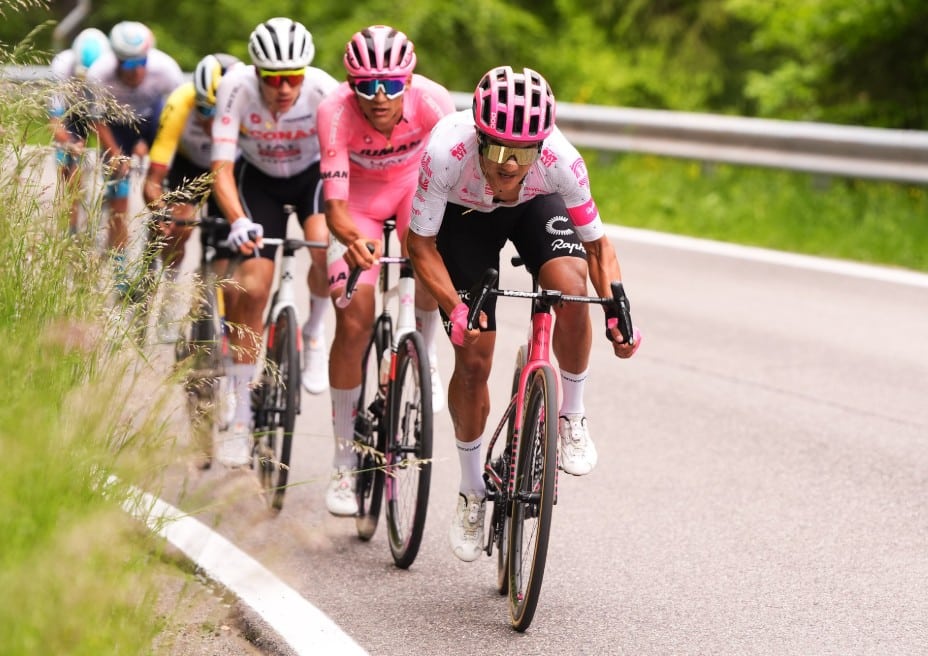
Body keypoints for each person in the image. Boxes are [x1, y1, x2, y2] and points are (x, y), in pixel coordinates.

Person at [406, 66, 642, 561]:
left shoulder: (561, 161)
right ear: (478, 138)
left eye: (524, 153)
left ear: (541, 146)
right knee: (474, 357)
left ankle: (571, 413)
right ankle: (471, 490)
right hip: (465, 220)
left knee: (571, 287)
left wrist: (616, 311)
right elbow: (420, 245)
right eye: (498, 152)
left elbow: (598, 249)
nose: (510, 165)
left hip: (536, 207)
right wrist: (454, 307)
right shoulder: (445, 151)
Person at [316, 25, 456, 516]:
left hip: (412, 190)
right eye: (367, 85)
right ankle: (342, 461)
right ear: (350, 84)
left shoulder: (434, 102)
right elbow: (334, 207)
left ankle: (426, 349)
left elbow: (453, 177)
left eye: (392, 85)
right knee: (353, 317)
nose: (379, 96)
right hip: (357, 204)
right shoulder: (334, 111)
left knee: (429, 254)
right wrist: (352, 241)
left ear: (408, 81)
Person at [210, 17, 338, 467]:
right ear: (256, 72)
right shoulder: (236, 88)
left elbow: (341, 163)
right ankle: (241, 418)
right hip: (258, 181)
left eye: (293, 77)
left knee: (324, 249)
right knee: (252, 289)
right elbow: (221, 168)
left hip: (311, 178)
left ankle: (314, 331)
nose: (284, 87)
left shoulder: (323, 89)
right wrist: (238, 221)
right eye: (273, 78)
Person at [143, 53, 241, 341]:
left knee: (229, 249)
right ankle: (171, 293)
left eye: (219, 113)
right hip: (189, 166)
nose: (211, 123)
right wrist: (161, 212)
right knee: (179, 225)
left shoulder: (248, 104)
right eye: (204, 110)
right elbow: (153, 180)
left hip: (230, 169)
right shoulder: (180, 102)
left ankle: (214, 307)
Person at [86, 21, 184, 290]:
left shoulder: (165, 68)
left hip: (153, 121)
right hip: (116, 127)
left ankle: (155, 235)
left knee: (160, 182)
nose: (136, 70)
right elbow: (97, 120)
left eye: (141, 62)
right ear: (116, 60)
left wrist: (156, 158)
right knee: (118, 196)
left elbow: (178, 114)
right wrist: (116, 154)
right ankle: (120, 273)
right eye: (128, 64)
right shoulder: (98, 73)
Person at [48, 27, 111, 236]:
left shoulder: (110, 69)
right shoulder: (62, 65)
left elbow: (103, 122)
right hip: (72, 111)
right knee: (68, 169)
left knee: (112, 158)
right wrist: (70, 144)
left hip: (103, 110)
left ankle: (108, 196)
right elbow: (55, 121)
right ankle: (71, 229)